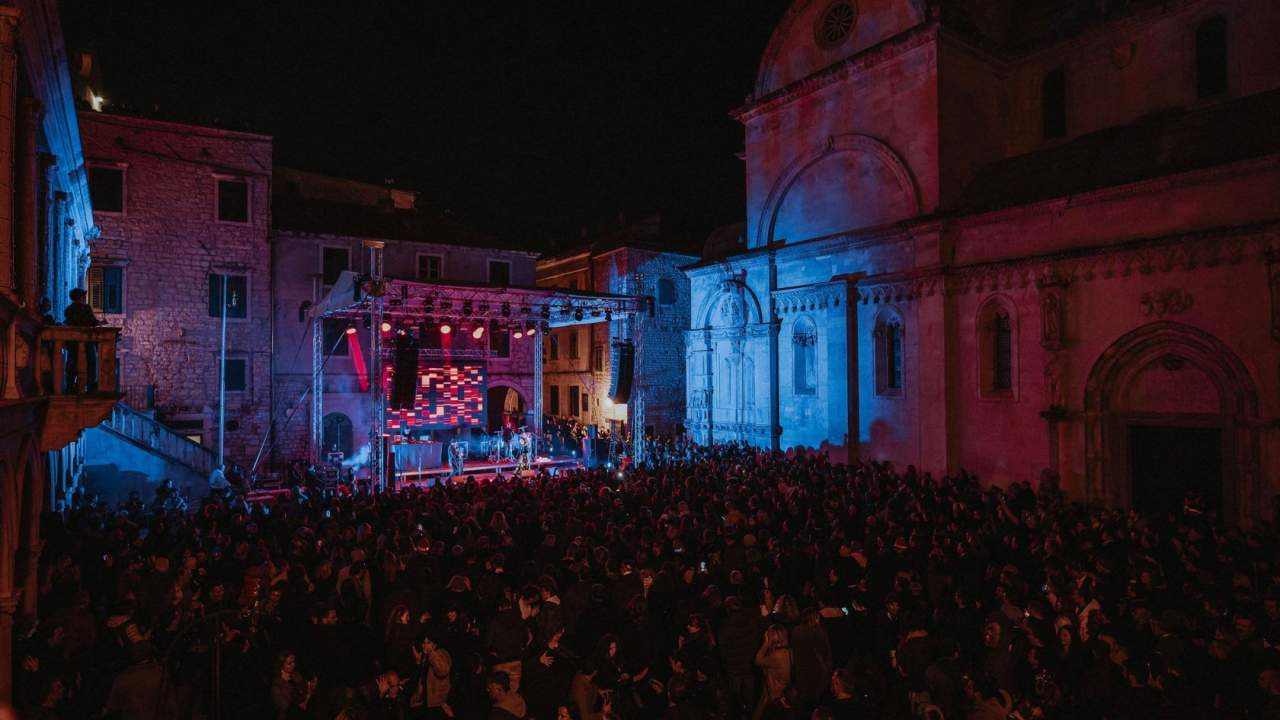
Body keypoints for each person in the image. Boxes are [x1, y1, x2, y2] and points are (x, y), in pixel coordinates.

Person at [62, 288, 99, 392]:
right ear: (81, 297)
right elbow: (91, 322)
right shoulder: (86, 308)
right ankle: (90, 387)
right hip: (86, 341)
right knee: (90, 363)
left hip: (72, 342)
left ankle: (70, 386)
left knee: (72, 364)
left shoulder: (68, 309)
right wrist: (98, 323)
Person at [754, 624, 792, 720]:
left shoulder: (776, 656)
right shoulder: (787, 651)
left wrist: (765, 645)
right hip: (781, 692)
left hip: (773, 694)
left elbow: (758, 660)